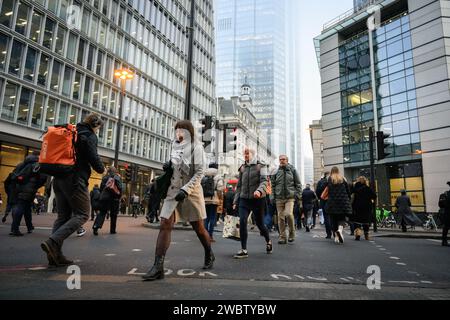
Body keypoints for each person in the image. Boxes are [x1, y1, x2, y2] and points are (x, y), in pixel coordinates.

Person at [142, 121, 214, 281]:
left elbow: (200, 172)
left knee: (199, 228)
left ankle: (209, 252)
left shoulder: (197, 147)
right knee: (164, 224)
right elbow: (176, 167)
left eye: (181, 130)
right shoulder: (173, 145)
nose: (177, 132)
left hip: (191, 192)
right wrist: (168, 166)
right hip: (173, 191)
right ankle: (158, 266)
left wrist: (186, 190)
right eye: (176, 130)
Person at [41, 114, 105, 267]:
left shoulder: (74, 131)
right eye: (99, 128)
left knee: (63, 216)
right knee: (83, 214)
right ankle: (53, 241)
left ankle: (55, 254)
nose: (98, 131)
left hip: (59, 178)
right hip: (75, 179)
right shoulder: (88, 135)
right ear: (95, 124)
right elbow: (93, 158)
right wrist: (101, 168)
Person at [232, 148, 272, 258]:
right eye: (244, 153)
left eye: (247, 153)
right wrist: (235, 201)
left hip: (258, 199)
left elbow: (264, 181)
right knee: (243, 221)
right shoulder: (242, 168)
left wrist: (259, 191)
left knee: (260, 224)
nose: (245, 155)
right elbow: (239, 186)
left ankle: (268, 240)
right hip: (244, 199)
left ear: (253, 154)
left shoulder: (261, 166)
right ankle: (243, 249)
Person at [8, 151, 48, 236]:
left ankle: (29, 226)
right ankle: (14, 229)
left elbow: (13, 175)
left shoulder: (22, 164)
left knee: (26, 208)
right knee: (21, 207)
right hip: (29, 189)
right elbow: (43, 178)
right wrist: (36, 186)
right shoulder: (37, 165)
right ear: (38, 156)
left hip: (17, 187)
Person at [271, 155, 302, 244]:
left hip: (290, 197)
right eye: (280, 159)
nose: (282, 161)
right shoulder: (276, 171)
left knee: (288, 214)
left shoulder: (292, 170)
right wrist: (272, 196)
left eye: (283, 159)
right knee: (280, 218)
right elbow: (272, 185)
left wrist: (298, 195)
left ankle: (292, 234)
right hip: (279, 197)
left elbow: (298, 184)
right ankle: (282, 237)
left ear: (287, 160)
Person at [93, 167, 123, 235]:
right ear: (115, 171)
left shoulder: (105, 177)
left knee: (102, 212)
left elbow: (101, 188)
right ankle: (112, 230)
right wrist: (119, 195)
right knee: (113, 215)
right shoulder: (117, 177)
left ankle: (96, 226)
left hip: (105, 198)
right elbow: (120, 187)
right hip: (114, 199)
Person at [326, 167, 352, 244]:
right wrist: (348, 200)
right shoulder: (343, 178)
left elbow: (328, 191)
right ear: (338, 171)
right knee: (342, 218)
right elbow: (348, 191)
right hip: (343, 202)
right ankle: (340, 230)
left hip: (333, 202)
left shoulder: (330, 179)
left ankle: (336, 237)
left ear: (331, 171)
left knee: (333, 219)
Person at [203, 163, 224, 242]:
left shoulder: (204, 175)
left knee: (206, 218)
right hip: (214, 199)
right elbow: (219, 189)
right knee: (212, 218)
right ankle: (210, 236)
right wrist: (220, 197)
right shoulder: (218, 176)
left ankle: (204, 235)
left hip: (205, 199)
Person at [351, 176, 377, 241]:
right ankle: (366, 235)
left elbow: (351, 197)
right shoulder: (368, 188)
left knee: (357, 222)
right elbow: (374, 196)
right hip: (367, 207)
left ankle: (358, 234)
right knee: (366, 222)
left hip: (357, 207)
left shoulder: (355, 189)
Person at [316, 172, 332, 239]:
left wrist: (320, 198)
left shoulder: (321, 182)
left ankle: (329, 234)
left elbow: (317, 191)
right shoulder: (335, 180)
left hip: (324, 201)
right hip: (334, 201)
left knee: (326, 217)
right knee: (334, 217)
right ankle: (335, 232)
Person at [439, 182, 450, 246]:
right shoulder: (445, 194)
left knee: (446, 227)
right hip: (447, 213)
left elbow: (440, 205)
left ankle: (444, 241)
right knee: (446, 227)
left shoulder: (445, 194)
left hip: (447, 213)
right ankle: (444, 241)